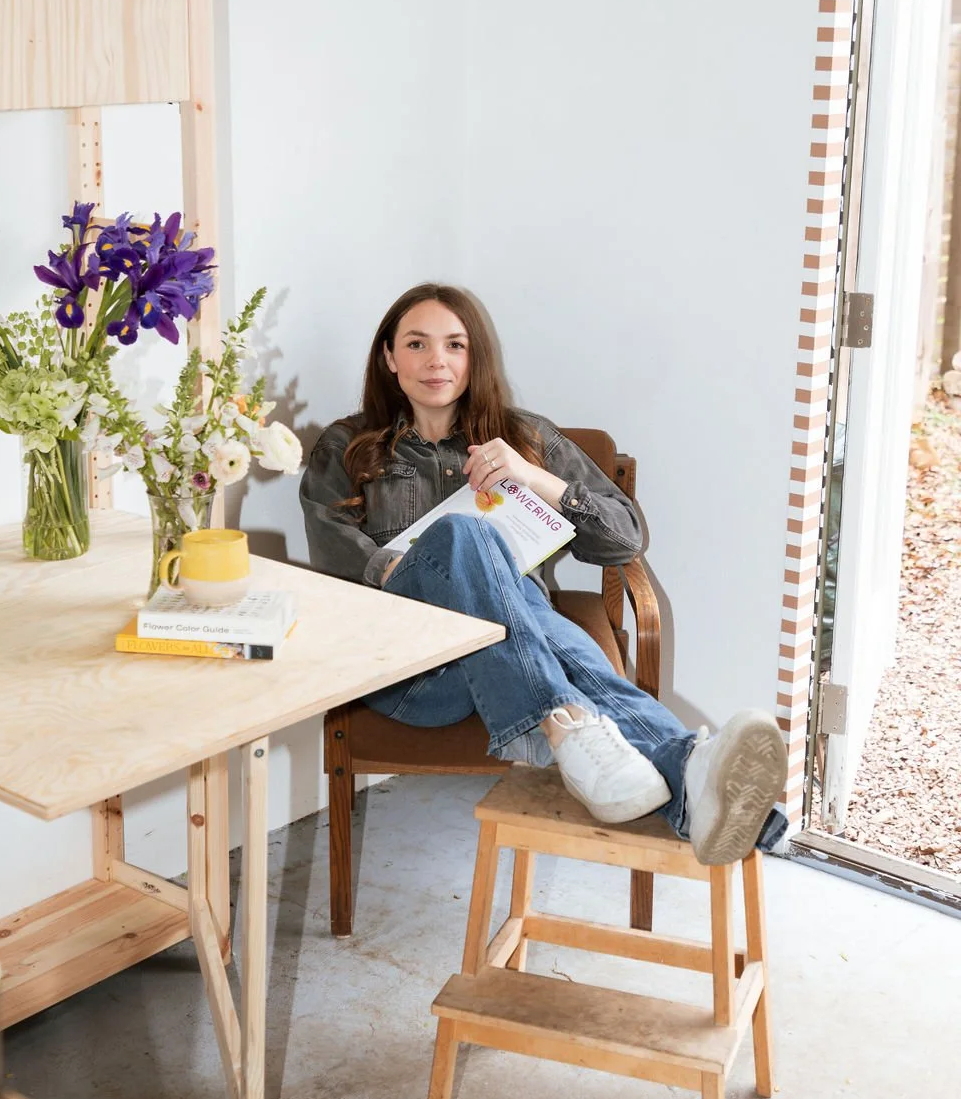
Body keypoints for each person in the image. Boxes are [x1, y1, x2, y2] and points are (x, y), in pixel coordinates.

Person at [299, 283, 788, 865]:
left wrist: (537, 480)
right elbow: (333, 558)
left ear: (473, 356)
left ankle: (676, 774)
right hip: (410, 674)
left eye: (455, 345)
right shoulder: (347, 447)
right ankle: (626, 742)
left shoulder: (524, 437)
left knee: (521, 607)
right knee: (466, 538)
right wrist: (437, 568)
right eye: (417, 344)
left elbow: (624, 538)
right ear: (389, 357)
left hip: (514, 654)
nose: (437, 361)